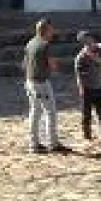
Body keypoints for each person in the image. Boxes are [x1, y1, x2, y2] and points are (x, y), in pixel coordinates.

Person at [24, 18, 70, 154]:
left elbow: (25, 62)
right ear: (45, 30)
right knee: (50, 112)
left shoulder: (30, 43)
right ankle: (53, 143)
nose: (53, 32)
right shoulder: (44, 45)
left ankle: (33, 143)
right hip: (41, 82)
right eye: (51, 29)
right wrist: (55, 66)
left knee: (35, 111)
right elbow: (52, 64)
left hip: (30, 81)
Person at [74, 31, 101, 146]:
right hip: (88, 88)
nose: (87, 42)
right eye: (84, 41)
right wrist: (81, 87)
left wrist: (92, 55)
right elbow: (79, 75)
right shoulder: (81, 57)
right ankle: (87, 134)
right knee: (87, 114)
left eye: (88, 39)